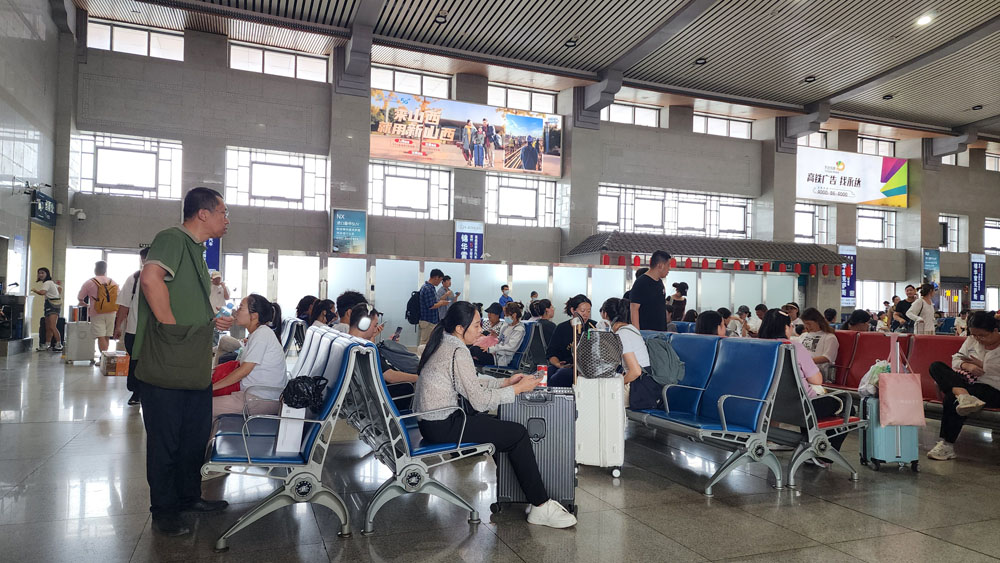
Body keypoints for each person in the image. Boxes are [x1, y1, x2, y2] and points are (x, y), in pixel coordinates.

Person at [413, 302, 577, 528]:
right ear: (460, 328)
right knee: (517, 433)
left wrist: (506, 382)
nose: (482, 329)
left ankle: (516, 491)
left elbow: (469, 383)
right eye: (478, 324)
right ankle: (540, 505)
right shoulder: (457, 350)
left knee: (503, 429)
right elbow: (479, 401)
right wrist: (517, 390)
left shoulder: (443, 341)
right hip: (443, 424)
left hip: (433, 422)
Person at [133, 187, 234, 536]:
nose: (227, 220)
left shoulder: (196, 250)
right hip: (170, 360)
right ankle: (164, 510)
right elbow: (151, 278)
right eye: (223, 212)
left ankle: (190, 496)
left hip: (192, 362)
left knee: (193, 436)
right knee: (166, 440)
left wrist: (211, 320)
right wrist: (171, 328)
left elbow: (189, 297)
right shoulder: (172, 238)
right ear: (203, 214)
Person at [757, 308, 847, 466]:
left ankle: (811, 448)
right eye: (790, 325)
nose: (793, 328)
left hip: (769, 408)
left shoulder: (756, 346)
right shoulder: (794, 347)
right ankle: (822, 454)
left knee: (814, 409)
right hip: (802, 409)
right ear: (785, 328)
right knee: (845, 406)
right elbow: (817, 380)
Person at [926, 312, 1000, 461]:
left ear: (995, 331)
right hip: (968, 381)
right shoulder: (971, 340)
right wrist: (967, 365)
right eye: (974, 335)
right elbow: (956, 359)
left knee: (952, 397)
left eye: (982, 335)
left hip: (993, 388)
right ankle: (964, 395)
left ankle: (947, 444)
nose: (978, 339)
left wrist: (983, 366)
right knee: (936, 366)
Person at [211, 294, 286, 418]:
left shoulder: (262, 334)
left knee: (202, 405)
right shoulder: (257, 333)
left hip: (260, 399)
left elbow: (244, 371)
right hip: (252, 395)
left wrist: (212, 388)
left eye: (241, 308)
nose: (236, 311)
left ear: (254, 316)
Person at [114, 248, 150, 406]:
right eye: (144, 259)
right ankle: (137, 392)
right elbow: (124, 306)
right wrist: (118, 327)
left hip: (157, 331)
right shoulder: (134, 279)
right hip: (134, 329)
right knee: (135, 361)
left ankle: (148, 392)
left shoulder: (167, 278)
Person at [546, 295, 596, 387]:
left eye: (588, 311)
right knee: (545, 373)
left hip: (585, 369)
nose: (586, 314)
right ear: (573, 310)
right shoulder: (561, 328)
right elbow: (551, 353)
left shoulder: (593, 327)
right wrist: (558, 364)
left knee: (561, 375)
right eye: (582, 311)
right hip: (565, 365)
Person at [78, 260, 119, 354]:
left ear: (95, 269)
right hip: (112, 311)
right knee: (107, 336)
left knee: (100, 336)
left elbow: (80, 297)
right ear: (105, 270)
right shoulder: (113, 282)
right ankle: (104, 357)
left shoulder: (90, 282)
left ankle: (103, 358)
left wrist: (85, 304)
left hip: (96, 312)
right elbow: (119, 296)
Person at [471, 302, 526, 367]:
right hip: (495, 352)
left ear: (514, 315)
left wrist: (490, 349)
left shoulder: (519, 330)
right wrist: (496, 336)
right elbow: (502, 339)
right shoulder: (506, 325)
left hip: (501, 358)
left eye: (506, 315)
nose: (505, 317)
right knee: (472, 351)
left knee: (474, 350)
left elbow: (510, 347)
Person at [629, 250, 671, 331]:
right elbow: (634, 308)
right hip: (647, 333)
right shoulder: (641, 282)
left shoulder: (659, 282)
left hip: (660, 332)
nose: (669, 268)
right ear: (660, 265)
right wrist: (637, 334)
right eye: (668, 265)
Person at [798, 307, 840, 383]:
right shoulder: (803, 336)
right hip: (802, 369)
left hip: (819, 372)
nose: (807, 326)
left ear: (818, 321)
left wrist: (805, 362)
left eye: (809, 324)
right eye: (805, 324)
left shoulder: (829, 337)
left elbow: (827, 358)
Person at [31, 267, 62, 352]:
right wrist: (56, 296)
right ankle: (47, 344)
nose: (40, 275)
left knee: (52, 326)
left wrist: (35, 290)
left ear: (47, 274)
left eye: (42, 273)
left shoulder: (47, 282)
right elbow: (60, 288)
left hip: (53, 306)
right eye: (39, 273)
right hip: (49, 304)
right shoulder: (50, 283)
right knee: (48, 327)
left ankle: (59, 344)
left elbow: (42, 293)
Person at [418, 269, 449, 346]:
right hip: (427, 321)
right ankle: (422, 357)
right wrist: (441, 303)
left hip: (432, 321)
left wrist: (440, 302)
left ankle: (427, 358)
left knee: (430, 343)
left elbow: (434, 302)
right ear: (436, 277)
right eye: (440, 280)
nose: (440, 283)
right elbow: (431, 305)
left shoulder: (431, 288)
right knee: (424, 343)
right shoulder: (427, 288)